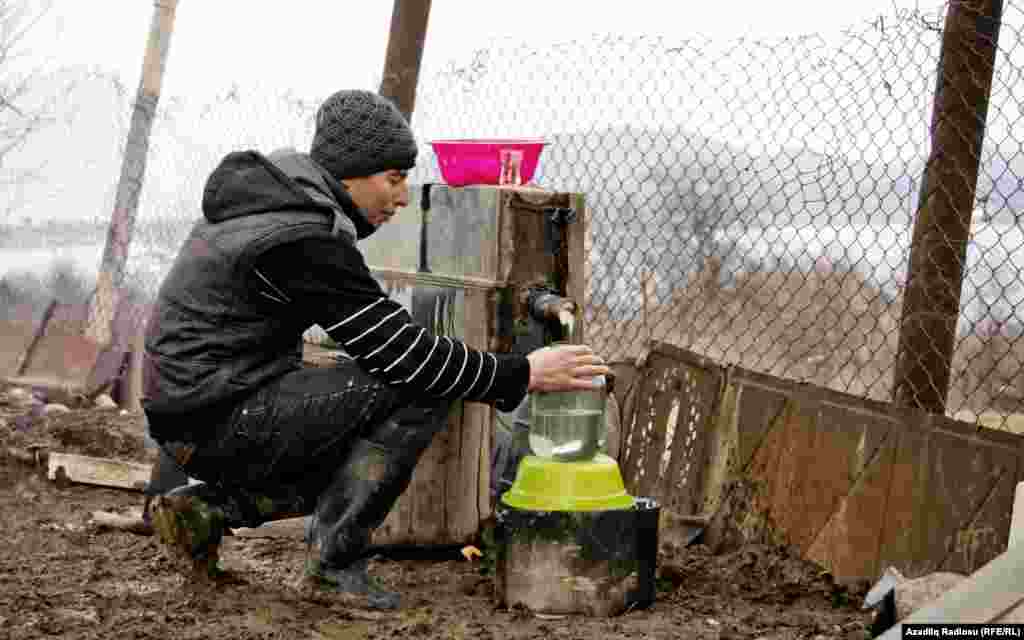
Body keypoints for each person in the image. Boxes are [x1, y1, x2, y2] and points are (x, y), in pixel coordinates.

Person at [142, 89, 609, 610]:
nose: (403, 196)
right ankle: (334, 566)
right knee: (417, 388)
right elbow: (405, 356)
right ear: (350, 175)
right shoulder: (302, 239)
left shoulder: (271, 208)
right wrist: (522, 373)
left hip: (197, 413)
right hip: (220, 416)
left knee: (361, 418)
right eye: (393, 178)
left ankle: (205, 509)